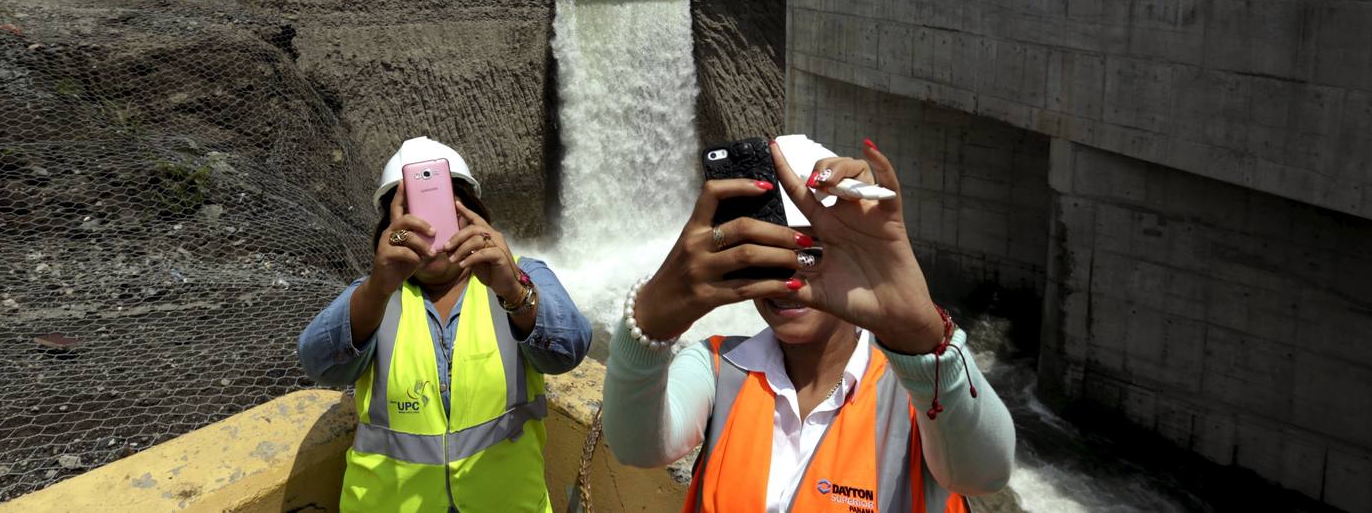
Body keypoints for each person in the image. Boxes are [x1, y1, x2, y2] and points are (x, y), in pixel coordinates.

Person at [603, 138, 1015, 512]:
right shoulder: (717, 367)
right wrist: (651, 318)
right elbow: (636, 444)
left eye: (807, 253)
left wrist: (921, 340)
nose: (790, 280)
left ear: (857, 258)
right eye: (765, 256)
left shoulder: (919, 399)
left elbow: (983, 474)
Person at [298, 137, 591, 512]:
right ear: (391, 226)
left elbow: (568, 351)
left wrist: (513, 291)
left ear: (470, 213)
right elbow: (319, 364)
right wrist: (378, 286)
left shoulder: (522, 276)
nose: (432, 234)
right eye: (413, 217)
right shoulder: (373, 295)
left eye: (440, 213)